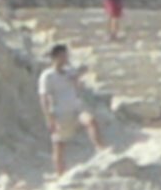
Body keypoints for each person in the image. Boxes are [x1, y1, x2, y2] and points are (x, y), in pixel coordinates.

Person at [37, 44, 108, 176]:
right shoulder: (47, 76)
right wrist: (49, 118)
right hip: (60, 112)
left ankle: (101, 148)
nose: (65, 58)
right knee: (59, 145)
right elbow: (44, 97)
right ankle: (60, 174)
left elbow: (80, 75)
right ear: (55, 57)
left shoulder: (69, 71)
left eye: (66, 55)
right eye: (63, 56)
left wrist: (77, 77)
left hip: (76, 107)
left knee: (90, 121)